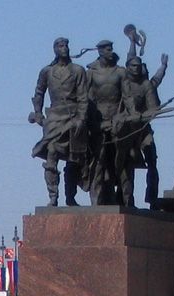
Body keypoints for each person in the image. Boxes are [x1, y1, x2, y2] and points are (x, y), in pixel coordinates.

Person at [30, 37, 89, 206]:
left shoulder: (78, 70)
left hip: (73, 117)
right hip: (55, 118)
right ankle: (53, 196)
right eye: (61, 46)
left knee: (74, 158)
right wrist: (38, 113)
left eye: (66, 45)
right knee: (52, 152)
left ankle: (70, 197)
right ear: (55, 49)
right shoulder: (47, 71)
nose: (65, 48)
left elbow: (83, 97)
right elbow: (39, 92)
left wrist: (81, 118)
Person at [85, 40, 129, 205]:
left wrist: (124, 116)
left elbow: (127, 97)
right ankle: (96, 198)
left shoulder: (120, 72)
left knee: (119, 160)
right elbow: (86, 99)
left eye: (111, 49)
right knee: (99, 160)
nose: (111, 52)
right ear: (100, 51)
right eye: (108, 49)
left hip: (117, 121)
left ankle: (121, 197)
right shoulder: (91, 73)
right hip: (99, 123)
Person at [117, 56, 162, 207]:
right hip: (125, 130)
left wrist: (146, 115)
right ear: (127, 66)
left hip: (142, 129)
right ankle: (127, 200)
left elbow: (153, 108)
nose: (136, 68)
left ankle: (152, 198)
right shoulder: (121, 83)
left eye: (138, 66)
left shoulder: (145, 85)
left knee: (152, 159)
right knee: (126, 163)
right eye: (133, 65)